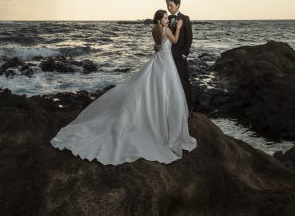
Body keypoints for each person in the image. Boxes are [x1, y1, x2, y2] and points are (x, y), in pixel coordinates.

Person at [50, 9, 196, 165]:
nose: (167, 20)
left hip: (158, 60)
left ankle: (156, 114)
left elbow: (158, 45)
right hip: (165, 64)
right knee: (164, 89)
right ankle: (161, 120)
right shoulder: (166, 30)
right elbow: (174, 41)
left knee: (153, 88)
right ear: (160, 20)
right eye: (165, 18)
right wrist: (178, 27)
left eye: (168, 18)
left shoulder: (154, 29)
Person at [165, 0, 193, 113]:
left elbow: (189, 38)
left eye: (171, 5)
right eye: (167, 5)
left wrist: (184, 54)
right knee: (170, 81)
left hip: (179, 56)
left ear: (178, 5)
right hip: (167, 55)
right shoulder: (167, 19)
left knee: (183, 81)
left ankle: (189, 109)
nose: (169, 8)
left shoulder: (185, 19)